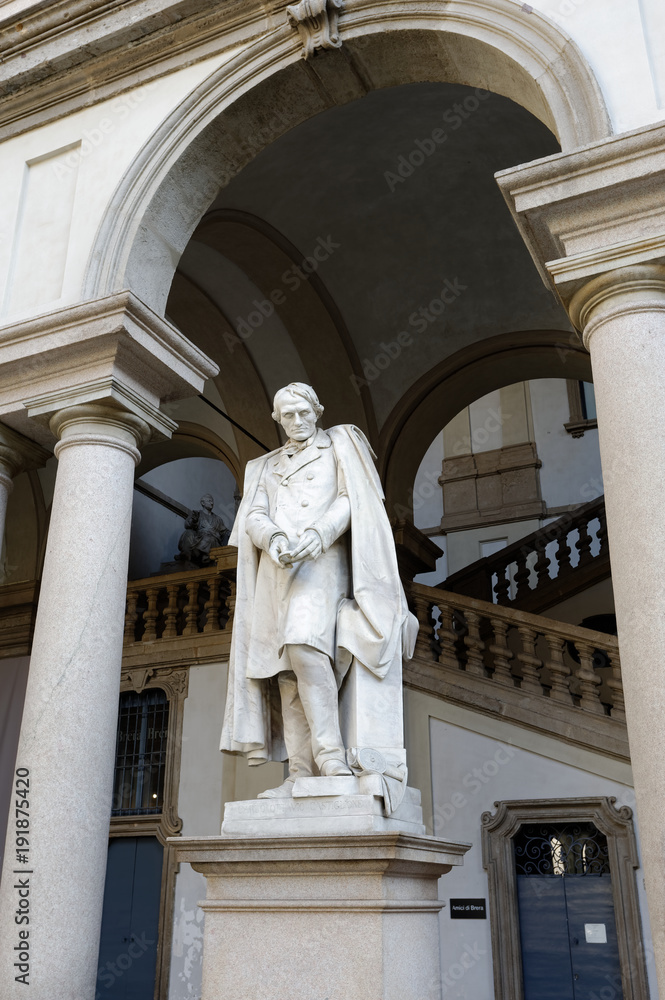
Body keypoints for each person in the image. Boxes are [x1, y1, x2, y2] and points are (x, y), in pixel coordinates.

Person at [220, 382, 417, 797]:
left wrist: (320, 533)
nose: (297, 422)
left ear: (318, 410)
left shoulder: (340, 445)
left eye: (303, 413)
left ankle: (330, 754)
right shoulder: (264, 466)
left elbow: (355, 499)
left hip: (322, 564)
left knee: (304, 648)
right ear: (277, 419)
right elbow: (253, 514)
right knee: (285, 669)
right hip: (277, 572)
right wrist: (272, 537)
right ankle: (300, 770)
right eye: (288, 415)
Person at [176, 493, 229, 565]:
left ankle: (205, 557)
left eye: (212, 501)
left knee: (210, 539)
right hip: (199, 537)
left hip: (212, 540)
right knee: (188, 533)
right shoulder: (197, 514)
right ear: (203, 503)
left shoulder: (218, 519)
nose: (212, 503)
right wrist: (193, 521)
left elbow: (224, 531)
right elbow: (187, 525)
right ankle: (186, 555)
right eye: (209, 501)